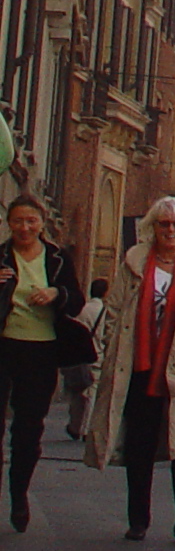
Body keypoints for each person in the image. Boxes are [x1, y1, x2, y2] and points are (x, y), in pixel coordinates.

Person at [86, 196, 175, 539]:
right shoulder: (136, 261)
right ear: (152, 226)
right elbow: (115, 307)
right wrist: (110, 349)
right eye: (164, 224)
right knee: (140, 446)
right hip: (141, 366)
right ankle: (139, 519)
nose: (171, 230)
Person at [2, 192, 78, 531]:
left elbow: (75, 300)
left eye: (31, 221)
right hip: (4, 346)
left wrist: (55, 293)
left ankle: (19, 495)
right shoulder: (1, 256)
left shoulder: (58, 258)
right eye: (18, 220)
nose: (24, 227)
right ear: (8, 223)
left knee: (28, 429)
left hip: (41, 350)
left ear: (41, 223)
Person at [62, 278, 109, 442]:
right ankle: (86, 428)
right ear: (105, 293)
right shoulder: (105, 311)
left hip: (79, 357)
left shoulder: (82, 310)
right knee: (92, 393)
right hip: (97, 356)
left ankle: (74, 425)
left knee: (77, 392)